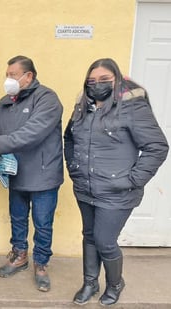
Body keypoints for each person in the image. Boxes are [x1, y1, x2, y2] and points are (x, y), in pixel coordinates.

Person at [64, 58, 169, 306]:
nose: (97, 85)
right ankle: (90, 282)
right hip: (85, 187)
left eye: (104, 80)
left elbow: (157, 146)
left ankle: (115, 283)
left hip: (117, 192)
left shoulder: (132, 107)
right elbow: (69, 138)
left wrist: (132, 179)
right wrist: (74, 168)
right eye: (91, 81)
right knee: (89, 236)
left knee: (104, 240)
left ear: (117, 80)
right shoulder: (82, 107)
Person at [0, 55, 64, 292]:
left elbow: (33, 132)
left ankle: (41, 263)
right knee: (17, 217)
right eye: (7, 75)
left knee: (43, 222)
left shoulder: (47, 99)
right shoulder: (6, 102)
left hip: (43, 174)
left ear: (29, 76)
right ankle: (19, 255)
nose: (9, 79)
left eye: (13, 75)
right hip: (15, 171)